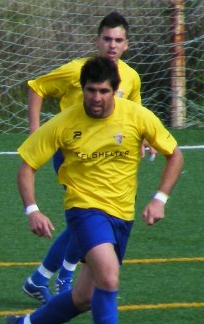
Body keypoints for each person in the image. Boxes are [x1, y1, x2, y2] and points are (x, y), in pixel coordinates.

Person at [0, 57, 183, 324]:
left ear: (115, 90)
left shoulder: (136, 116)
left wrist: (160, 199)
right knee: (109, 278)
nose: (96, 98)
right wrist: (32, 210)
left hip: (122, 216)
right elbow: (27, 165)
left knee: (84, 297)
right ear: (82, 89)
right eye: (90, 91)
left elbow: (175, 155)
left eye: (103, 91)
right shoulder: (65, 122)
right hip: (84, 210)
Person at [22, 11, 155, 304]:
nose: (112, 45)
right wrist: (35, 131)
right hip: (74, 156)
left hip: (109, 161)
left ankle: (42, 278)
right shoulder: (76, 70)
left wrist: (144, 138)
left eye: (118, 40)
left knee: (89, 219)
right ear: (97, 41)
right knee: (86, 216)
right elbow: (37, 87)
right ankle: (61, 279)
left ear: (127, 45)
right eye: (107, 39)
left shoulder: (131, 77)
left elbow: (135, 113)